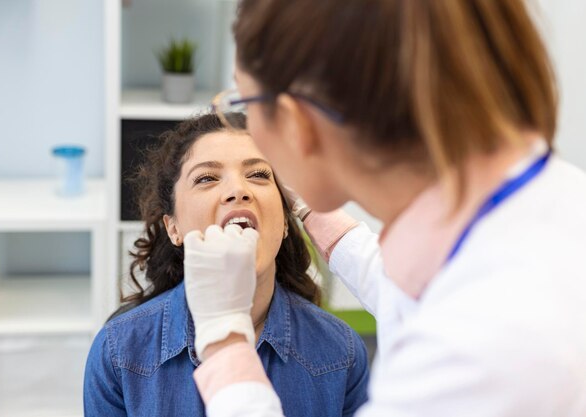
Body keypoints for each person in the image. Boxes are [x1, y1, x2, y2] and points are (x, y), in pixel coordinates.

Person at [180, 1, 586, 416]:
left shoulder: (481, 347)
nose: (238, 189)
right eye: (207, 178)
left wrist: (224, 339)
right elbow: (409, 289)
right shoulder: (549, 203)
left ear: (296, 123)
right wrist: (314, 208)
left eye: (245, 104)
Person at [83, 113, 370, 417]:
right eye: (206, 178)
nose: (238, 190)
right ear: (173, 228)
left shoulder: (343, 353)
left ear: (286, 222)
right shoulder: (118, 352)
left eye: (259, 174)